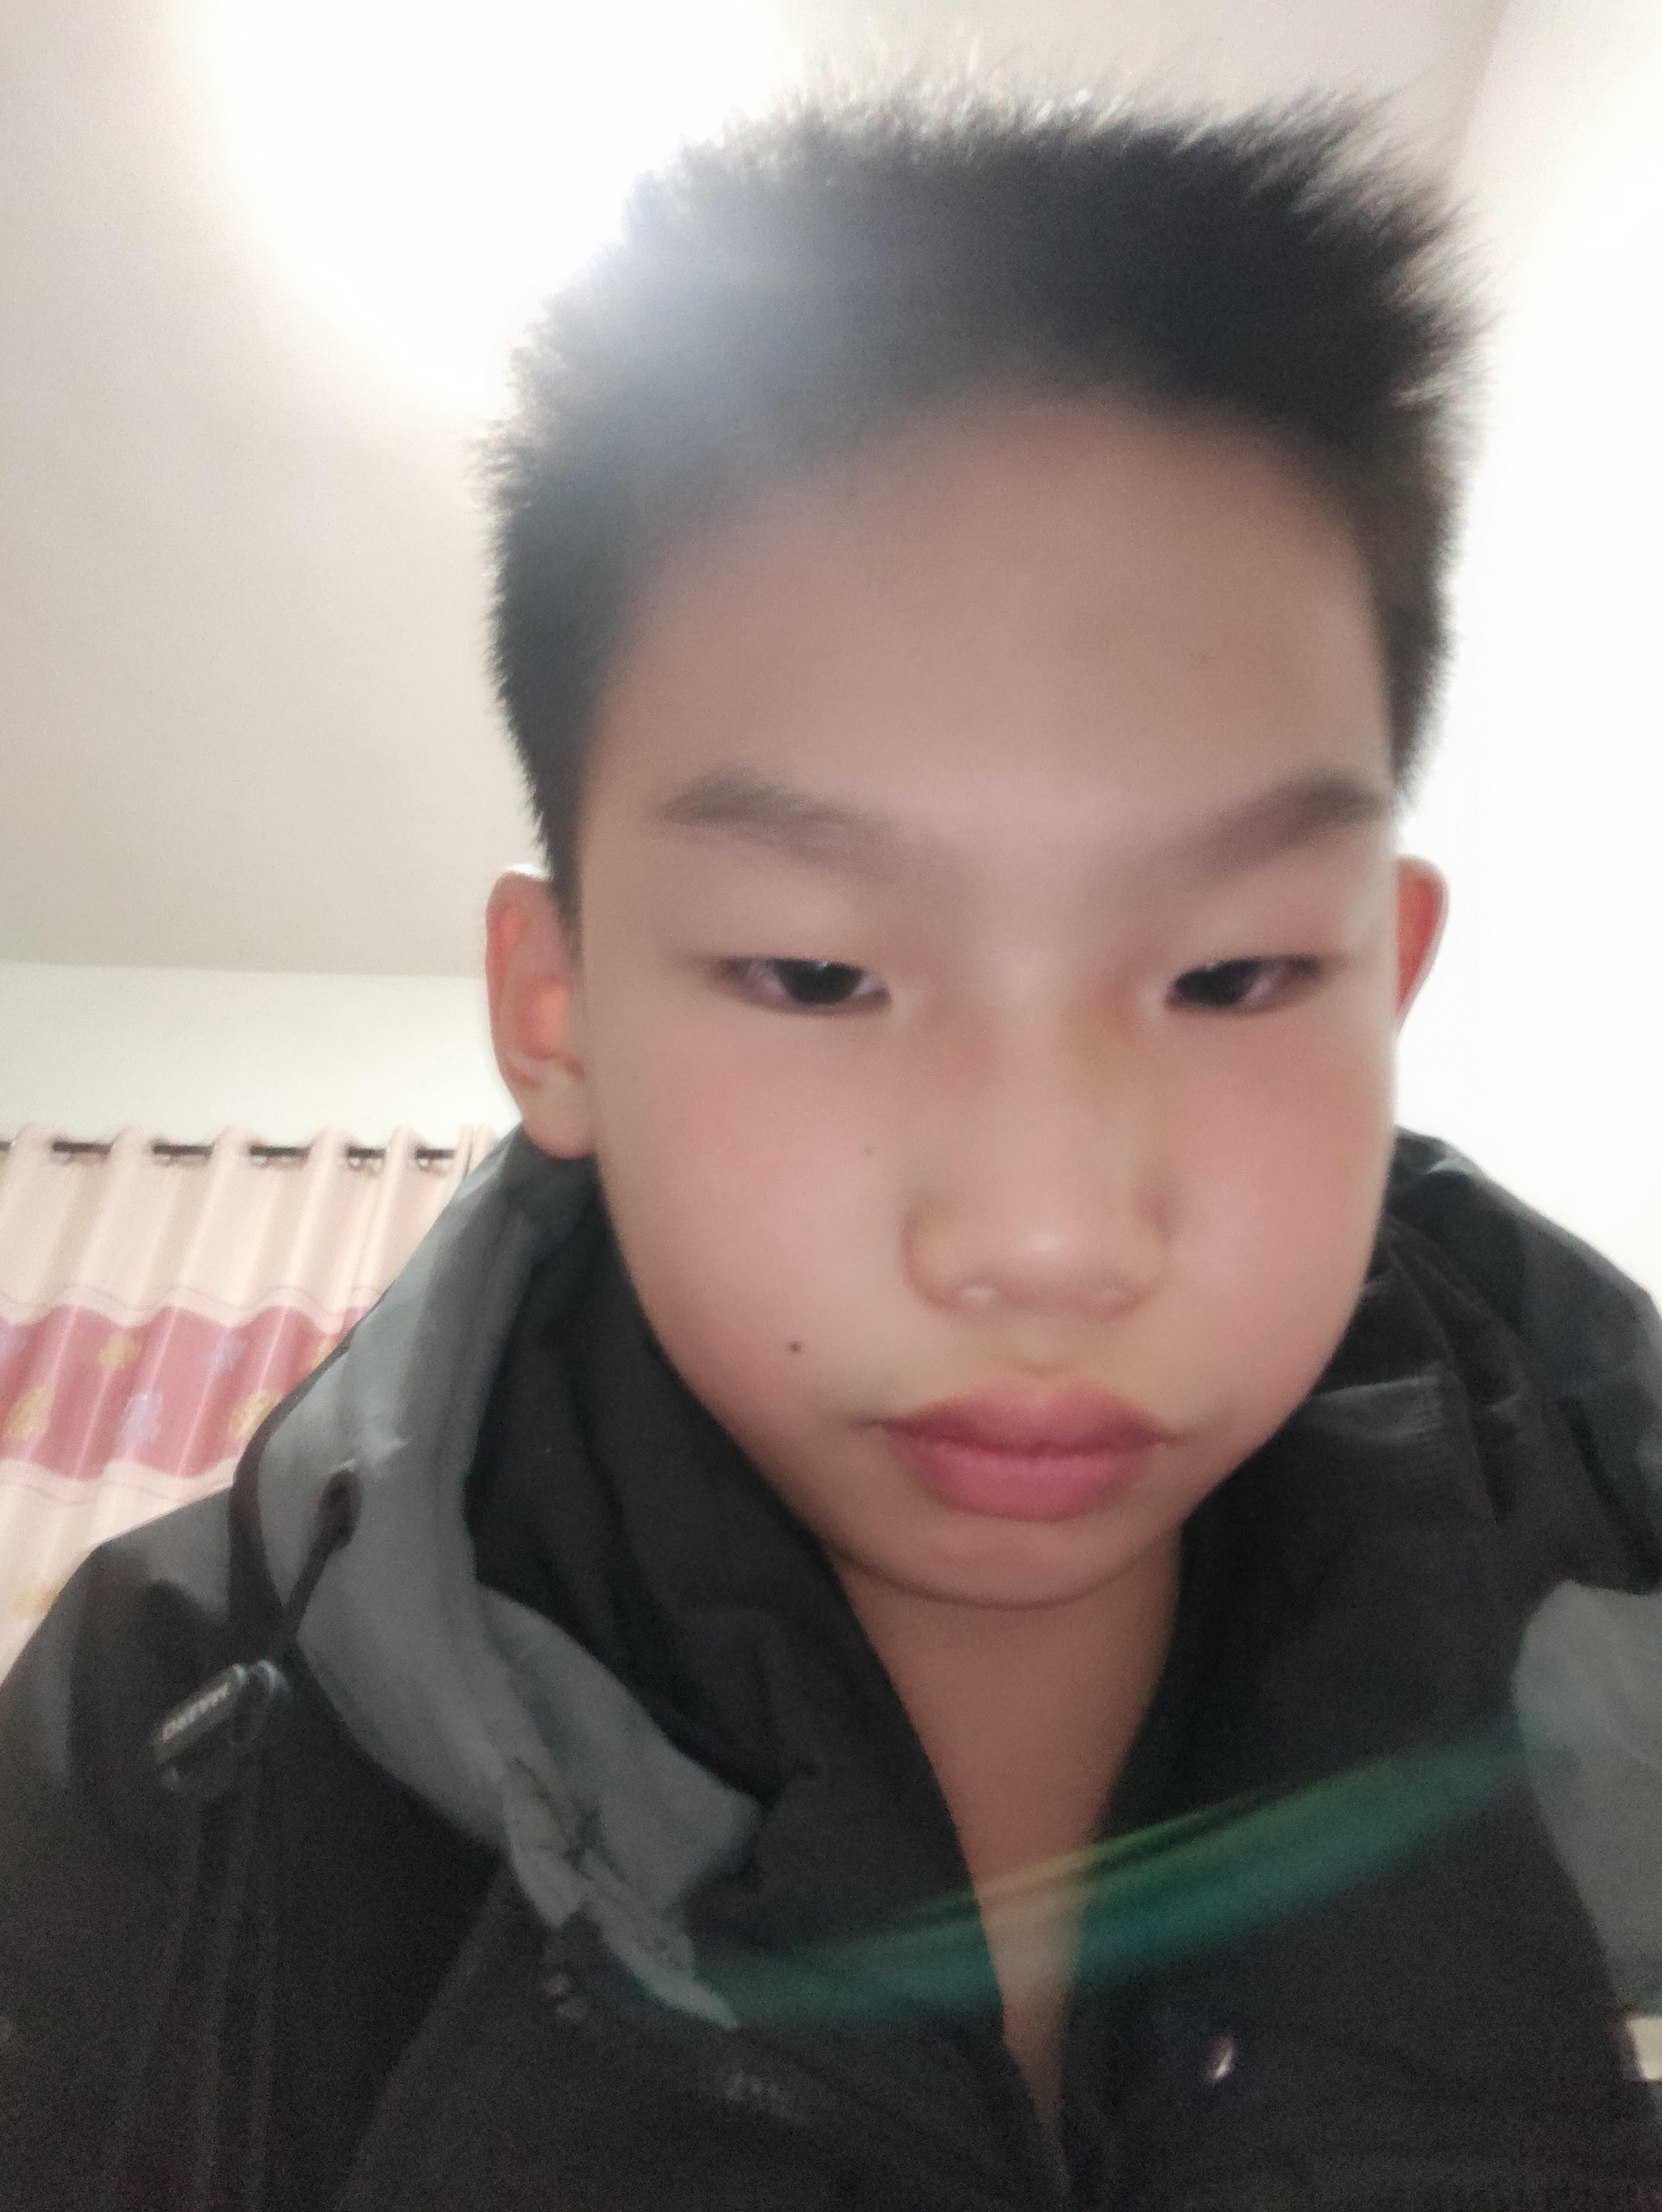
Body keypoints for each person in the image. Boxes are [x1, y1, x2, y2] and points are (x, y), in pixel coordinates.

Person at [3, 91, 1661, 2212]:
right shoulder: (172, 1732)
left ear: (1386, 979)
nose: (1046, 1237)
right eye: (814, 973)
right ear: (556, 1012)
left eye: (1236, 975)